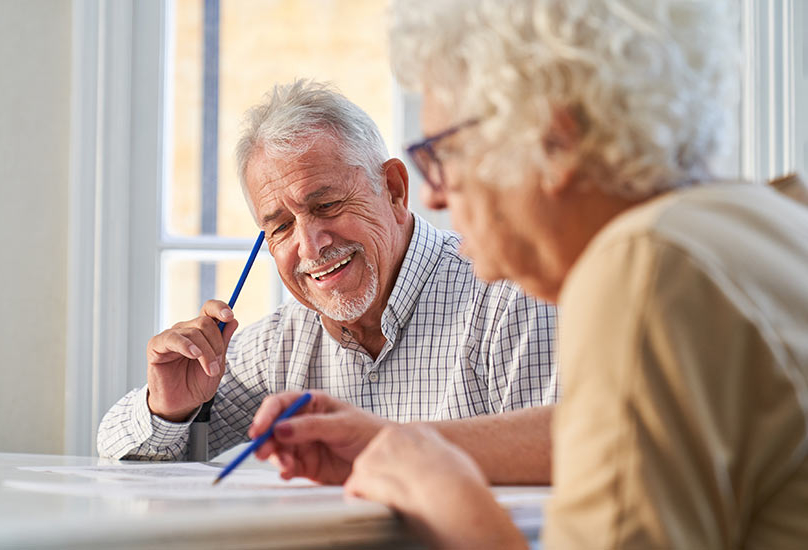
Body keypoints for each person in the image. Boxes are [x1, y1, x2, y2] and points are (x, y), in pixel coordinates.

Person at [252, 1, 808, 548]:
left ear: (554, 141)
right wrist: (398, 441)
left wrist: (445, 499)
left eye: (442, 154)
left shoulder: (642, 266)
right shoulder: (766, 220)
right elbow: (616, 439)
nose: (434, 194)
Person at [97, 80, 558, 481]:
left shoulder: (510, 301)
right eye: (280, 227)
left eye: (326, 205)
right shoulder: (284, 341)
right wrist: (169, 408)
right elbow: (115, 450)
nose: (311, 246)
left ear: (394, 190)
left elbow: (571, 463)